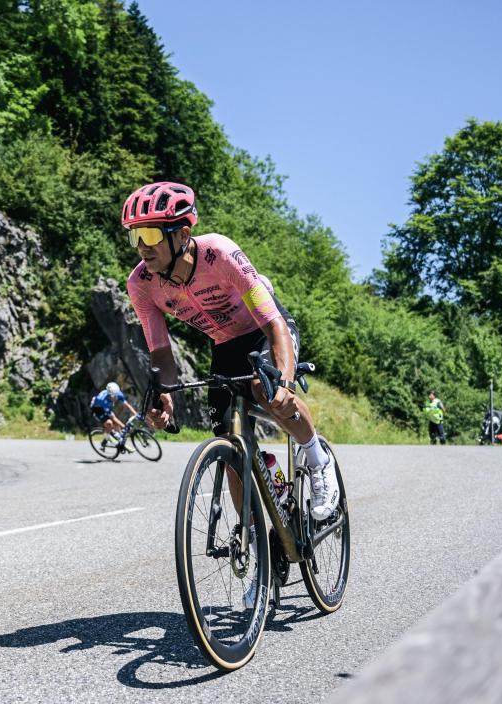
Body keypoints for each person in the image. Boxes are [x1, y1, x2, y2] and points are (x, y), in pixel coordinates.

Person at [122, 181, 339, 521]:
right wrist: (163, 394)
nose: (142, 248)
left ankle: (317, 459)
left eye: (149, 236)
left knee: (264, 389)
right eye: (134, 237)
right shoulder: (141, 284)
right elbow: (161, 351)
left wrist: (282, 380)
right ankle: (254, 543)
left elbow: (272, 323)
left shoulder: (218, 254)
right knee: (229, 441)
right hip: (225, 345)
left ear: (182, 234)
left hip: (265, 330)